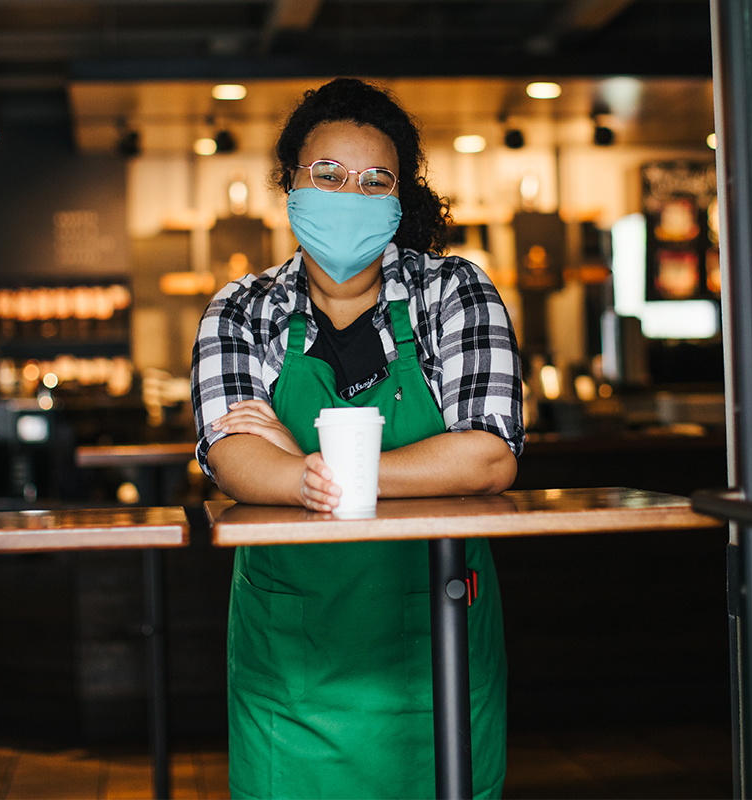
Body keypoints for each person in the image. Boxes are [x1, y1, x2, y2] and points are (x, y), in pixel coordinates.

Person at [190, 78, 523, 799]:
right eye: (328, 176)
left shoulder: (454, 292)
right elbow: (230, 452)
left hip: (439, 656)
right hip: (290, 675)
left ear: (400, 201)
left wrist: (303, 462)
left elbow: (490, 454)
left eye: (376, 181)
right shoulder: (243, 308)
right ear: (290, 186)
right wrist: (294, 469)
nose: (351, 195)